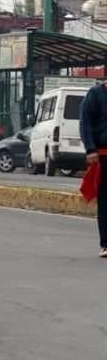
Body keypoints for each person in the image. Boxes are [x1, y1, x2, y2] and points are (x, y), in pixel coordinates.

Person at [79, 83, 107, 258]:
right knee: (105, 201)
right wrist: (90, 149)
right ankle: (106, 244)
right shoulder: (95, 94)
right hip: (103, 155)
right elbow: (86, 122)